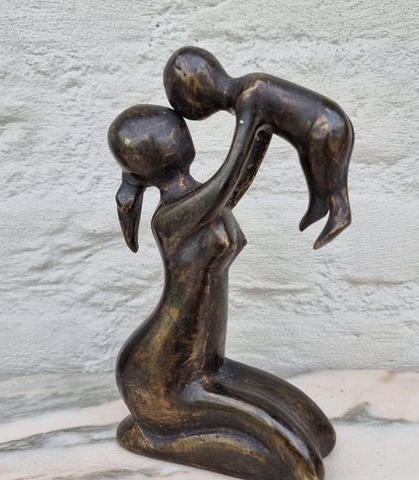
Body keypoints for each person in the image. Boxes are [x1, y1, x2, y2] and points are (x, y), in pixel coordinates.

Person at [108, 104, 333, 480]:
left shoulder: (202, 202)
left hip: (206, 365)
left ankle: (175, 434)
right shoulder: (171, 219)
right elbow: (228, 178)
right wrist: (252, 118)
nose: (179, 139)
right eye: (172, 136)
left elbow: (237, 178)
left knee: (319, 431)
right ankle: (158, 430)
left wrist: (265, 128)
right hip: (163, 377)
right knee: (303, 467)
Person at [164, 46, 354, 249]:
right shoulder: (250, 91)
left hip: (327, 128)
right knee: (314, 172)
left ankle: (340, 213)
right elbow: (255, 151)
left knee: (331, 183)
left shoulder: (249, 96)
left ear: (198, 91)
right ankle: (319, 207)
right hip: (324, 127)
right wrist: (227, 203)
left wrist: (209, 205)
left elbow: (236, 160)